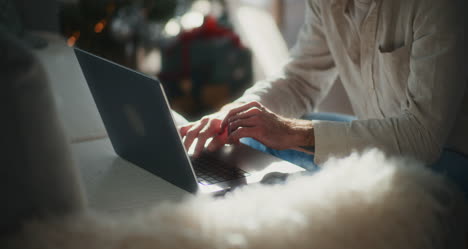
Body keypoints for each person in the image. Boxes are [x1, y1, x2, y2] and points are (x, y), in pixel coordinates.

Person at [179, 0, 468, 193]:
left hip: (449, 159)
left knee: (286, 144)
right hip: (379, 144)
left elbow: (421, 138)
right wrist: (233, 113)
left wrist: (291, 131)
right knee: (253, 129)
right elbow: (300, 80)